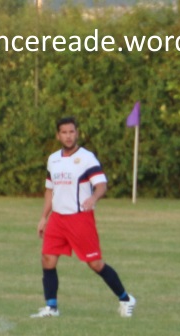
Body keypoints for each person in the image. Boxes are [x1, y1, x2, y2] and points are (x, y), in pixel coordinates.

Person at [31, 116, 135, 318]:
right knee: (47, 259)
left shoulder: (87, 158)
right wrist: (44, 217)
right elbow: (50, 189)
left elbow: (101, 185)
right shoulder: (53, 159)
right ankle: (51, 308)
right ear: (58, 135)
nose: (68, 136)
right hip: (57, 219)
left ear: (77, 133)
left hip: (80, 219)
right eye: (64, 132)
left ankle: (125, 298)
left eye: (72, 132)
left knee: (95, 263)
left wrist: (93, 197)